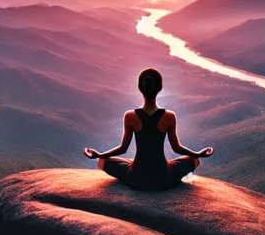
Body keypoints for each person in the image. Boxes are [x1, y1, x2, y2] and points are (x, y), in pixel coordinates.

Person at [84, 68, 214, 191]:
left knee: (101, 161)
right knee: (195, 160)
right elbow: (176, 148)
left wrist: (99, 154)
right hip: (163, 179)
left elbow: (122, 149)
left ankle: (131, 164)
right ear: (160, 88)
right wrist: (198, 153)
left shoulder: (130, 116)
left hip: (137, 179)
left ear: (140, 88)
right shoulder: (169, 116)